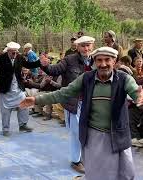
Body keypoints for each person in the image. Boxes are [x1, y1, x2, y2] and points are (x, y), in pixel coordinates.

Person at [20, 47, 143, 180]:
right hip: (93, 135)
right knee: (95, 172)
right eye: (99, 60)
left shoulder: (124, 79)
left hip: (117, 135)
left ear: (114, 61)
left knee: (124, 173)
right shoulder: (86, 78)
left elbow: (137, 94)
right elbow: (63, 93)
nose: (103, 64)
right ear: (95, 61)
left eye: (107, 60)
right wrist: (36, 99)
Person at [39, 36, 96, 173]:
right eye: (82, 45)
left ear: (92, 46)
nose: (85, 48)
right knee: (76, 133)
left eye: (88, 45)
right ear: (77, 47)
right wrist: (45, 65)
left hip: (90, 103)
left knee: (90, 131)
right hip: (73, 103)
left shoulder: (96, 61)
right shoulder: (69, 60)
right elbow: (54, 70)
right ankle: (76, 161)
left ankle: (86, 157)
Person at [0, 41, 41, 136]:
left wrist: (40, 62)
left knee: (24, 105)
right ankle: (5, 129)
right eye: (13, 52)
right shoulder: (1, 58)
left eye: (17, 52)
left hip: (17, 88)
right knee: (5, 111)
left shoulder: (19, 57)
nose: (15, 54)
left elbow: (29, 65)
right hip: (5, 89)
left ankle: (23, 125)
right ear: (8, 51)